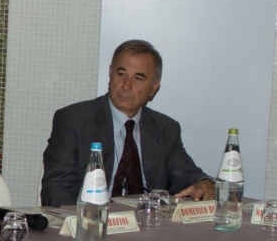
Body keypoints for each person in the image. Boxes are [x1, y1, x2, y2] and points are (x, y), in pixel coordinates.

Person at [41, 39, 214, 206]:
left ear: (153, 87)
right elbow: (56, 188)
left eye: (138, 78)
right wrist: (87, 218)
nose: (126, 86)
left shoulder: (165, 129)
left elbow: (185, 174)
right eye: (121, 74)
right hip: (93, 219)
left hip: (148, 221)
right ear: (110, 74)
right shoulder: (73, 121)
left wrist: (203, 182)